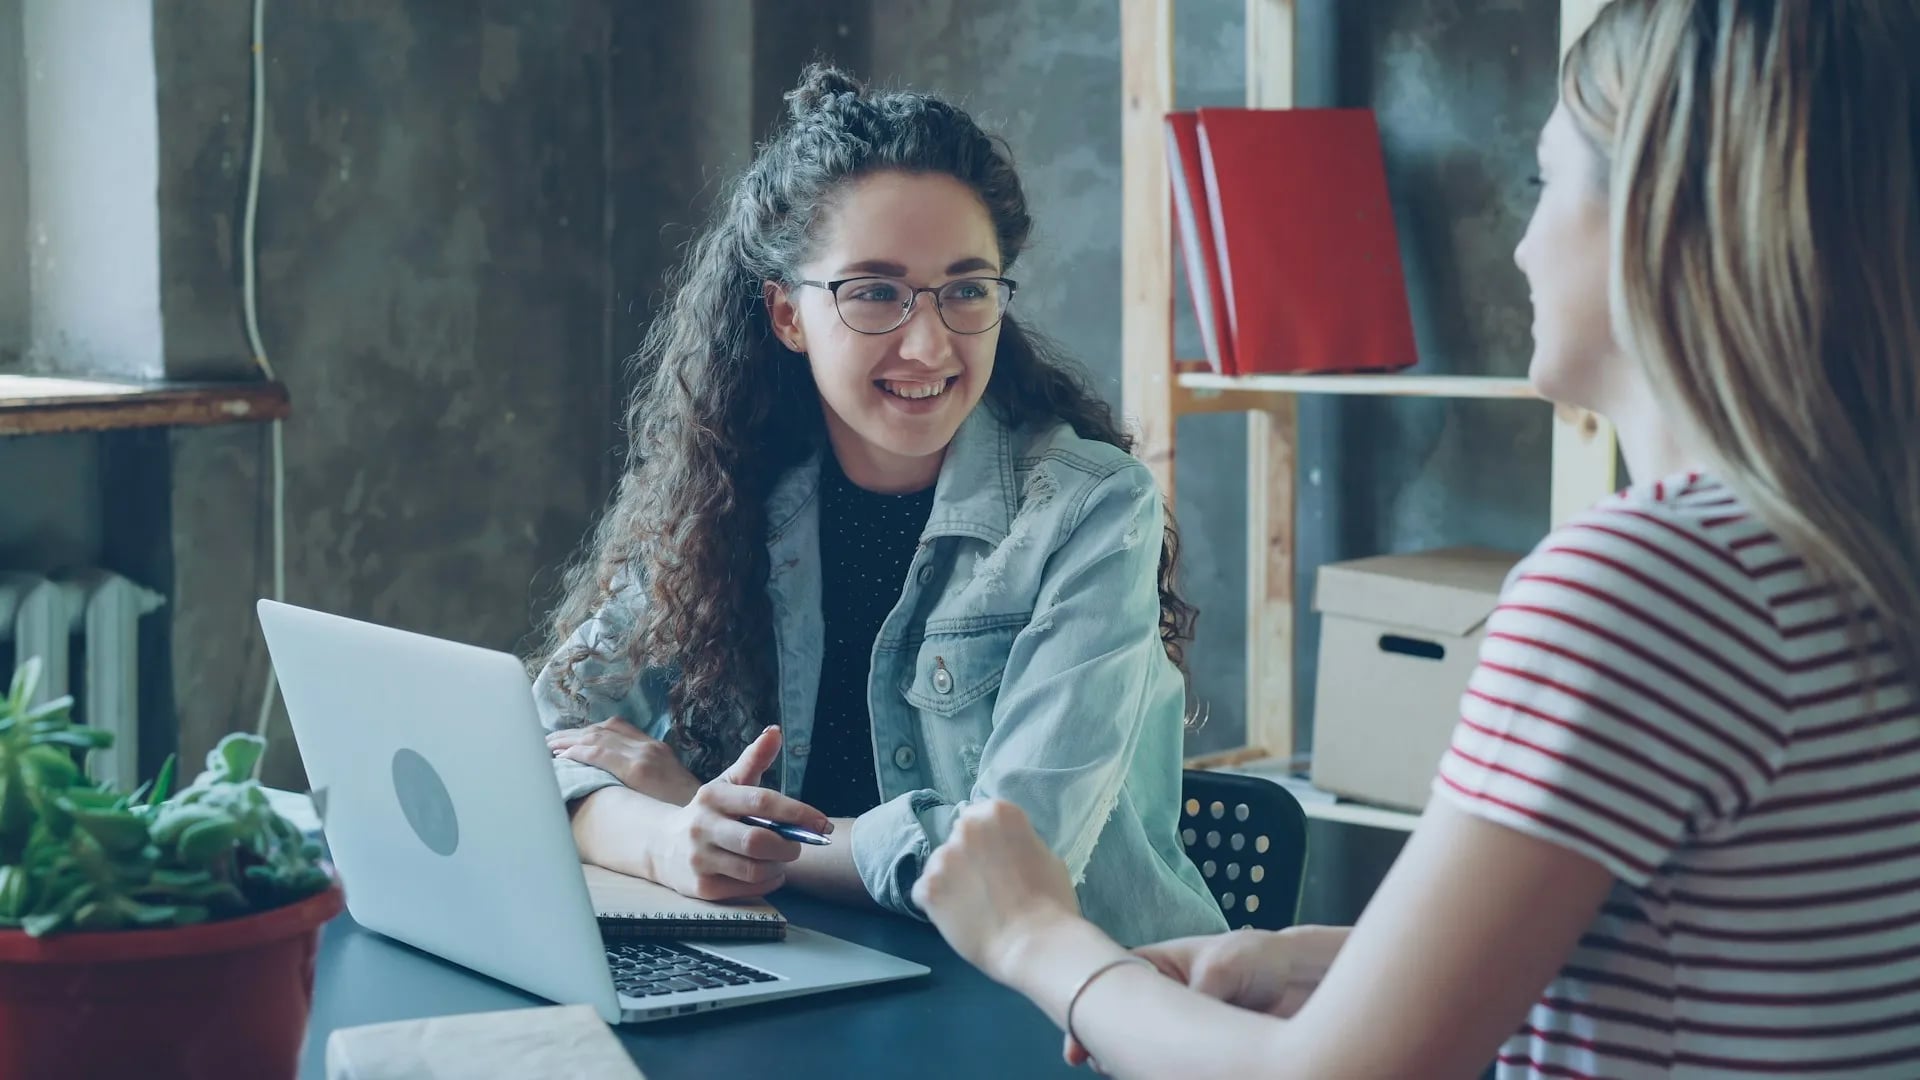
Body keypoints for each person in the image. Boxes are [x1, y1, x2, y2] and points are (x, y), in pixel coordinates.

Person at [912, 1, 1920, 1076]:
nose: (1522, 247)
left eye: (1543, 184)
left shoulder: (1647, 586)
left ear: (1664, 219)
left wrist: (1037, 938)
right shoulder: (1838, 553)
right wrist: (1345, 963)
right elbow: (1720, 963)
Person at [529, 64, 1227, 947]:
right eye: (874, 292)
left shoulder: (1089, 510)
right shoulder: (729, 491)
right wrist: (670, 838)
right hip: (816, 977)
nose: (930, 341)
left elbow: (1016, 862)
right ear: (787, 315)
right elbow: (541, 750)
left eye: (968, 289)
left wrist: (744, 834)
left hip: (1072, 1010)